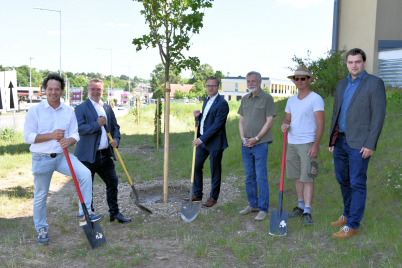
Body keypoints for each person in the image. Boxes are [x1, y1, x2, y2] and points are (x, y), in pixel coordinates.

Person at [24, 74, 101, 245]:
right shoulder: (35, 111)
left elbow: (75, 133)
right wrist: (51, 136)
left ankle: (84, 213)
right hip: (41, 158)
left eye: (56, 89)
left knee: (85, 174)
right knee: (41, 195)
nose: (53, 92)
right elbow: (28, 137)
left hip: (61, 156)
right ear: (44, 90)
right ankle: (42, 229)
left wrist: (70, 140)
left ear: (61, 91)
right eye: (50, 89)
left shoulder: (68, 111)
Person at [329, 48, 386, 239]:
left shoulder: (374, 84)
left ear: (364, 63)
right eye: (351, 62)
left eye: (358, 62)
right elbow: (336, 113)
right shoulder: (341, 84)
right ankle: (347, 214)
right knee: (342, 179)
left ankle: (353, 225)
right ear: (347, 64)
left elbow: (378, 117)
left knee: (357, 183)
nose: (354, 65)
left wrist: (370, 144)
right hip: (340, 141)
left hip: (360, 143)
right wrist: (332, 140)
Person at [74, 78, 131, 223]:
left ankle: (115, 213)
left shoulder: (107, 107)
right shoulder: (81, 108)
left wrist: (116, 140)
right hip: (87, 156)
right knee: (87, 187)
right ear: (88, 90)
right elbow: (79, 129)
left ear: (102, 91)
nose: (95, 92)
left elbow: (115, 127)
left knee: (113, 182)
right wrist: (96, 124)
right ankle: (88, 215)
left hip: (105, 154)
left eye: (98, 89)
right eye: (93, 89)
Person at [281, 66, 324, 225]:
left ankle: (307, 210)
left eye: (303, 78)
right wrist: (285, 125)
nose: (299, 81)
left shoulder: (315, 98)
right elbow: (288, 119)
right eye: (297, 78)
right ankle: (299, 207)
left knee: (308, 178)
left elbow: (320, 123)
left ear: (308, 80)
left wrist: (315, 145)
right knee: (297, 177)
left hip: (307, 143)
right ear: (294, 81)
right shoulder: (291, 100)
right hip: (291, 143)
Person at [238, 71, 277, 221]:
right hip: (245, 143)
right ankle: (253, 204)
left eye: (253, 81)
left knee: (261, 176)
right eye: (248, 81)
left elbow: (269, 121)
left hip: (260, 143)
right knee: (249, 176)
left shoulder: (267, 98)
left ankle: (263, 208)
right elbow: (241, 120)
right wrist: (243, 137)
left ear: (259, 82)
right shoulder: (245, 99)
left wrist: (256, 138)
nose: (250, 84)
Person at [188, 76, 229, 207]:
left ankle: (213, 197)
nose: (210, 88)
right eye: (208, 86)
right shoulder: (207, 100)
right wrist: (198, 116)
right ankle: (198, 194)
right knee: (196, 166)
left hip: (215, 142)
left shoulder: (222, 103)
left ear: (218, 87)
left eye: (213, 85)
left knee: (215, 170)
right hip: (203, 141)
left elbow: (217, 125)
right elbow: (208, 118)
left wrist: (200, 139)